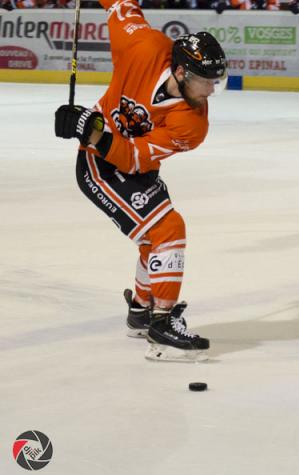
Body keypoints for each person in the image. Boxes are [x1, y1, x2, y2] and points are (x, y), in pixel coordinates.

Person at [54, 0, 227, 361]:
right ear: (180, 71)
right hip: (97, 167)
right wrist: (90, 133)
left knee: (157, 234)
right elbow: (121, 5)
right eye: (205, 82)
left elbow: (135, 158)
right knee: (168, 228)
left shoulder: (192, 125)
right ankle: (161, 322)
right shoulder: (144, 45)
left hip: (127, 162)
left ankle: (141, 311)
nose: (211, 92)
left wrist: (91, 129)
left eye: (216, 83)